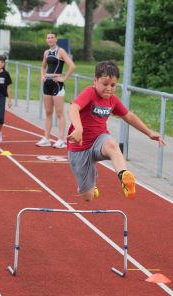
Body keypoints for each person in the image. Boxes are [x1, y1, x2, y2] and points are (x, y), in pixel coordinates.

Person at [67, 61, 165, 201]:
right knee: (87, 197)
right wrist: (78, 128)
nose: (109, 88)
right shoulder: (90, 93)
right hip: (79, 147)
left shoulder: (113, 100)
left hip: (99, 141)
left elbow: (129, 116)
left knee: (112, 145)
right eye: (105, 84)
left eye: (113, 85)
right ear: (95, 81)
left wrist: (149, 133)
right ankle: (88, 184)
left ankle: (124, 176)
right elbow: (73, 107)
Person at [36, 32, 75, 148]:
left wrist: (64, 78)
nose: (50, 39)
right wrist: (43, 75)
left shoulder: (61, 51)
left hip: (57, 84)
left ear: (56, 39)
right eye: (48, 38)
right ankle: (46, 138)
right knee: (48, 112)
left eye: (52, 37)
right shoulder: (46, 52)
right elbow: (43, 66)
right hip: (47, 83)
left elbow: (72, 66)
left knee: (59, 112)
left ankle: (61, 140)